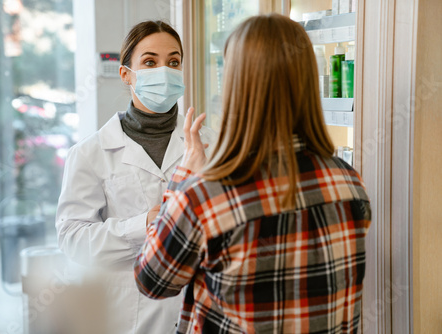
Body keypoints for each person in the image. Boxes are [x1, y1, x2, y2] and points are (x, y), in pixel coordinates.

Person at [134, 14, 372, 334]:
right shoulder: (349, 182)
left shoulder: (205, 197)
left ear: (236, 86)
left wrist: (184, 177)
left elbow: (152, 281)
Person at [55, 21, 216, 333]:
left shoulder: (209, 142)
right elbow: (72, 240)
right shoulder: (90, 154)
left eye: (173, 62)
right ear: (126, 74)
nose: (164, 71)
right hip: (128, 317)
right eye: (150, 62)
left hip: (199, 311)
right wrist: (143, 226)